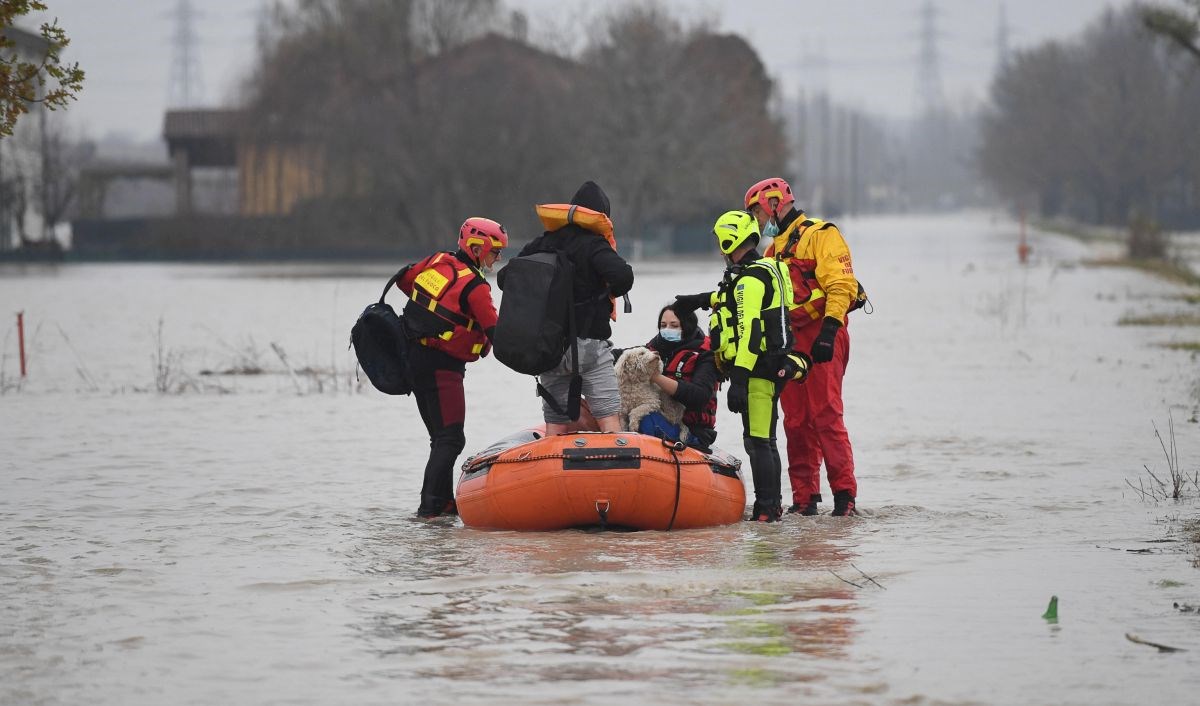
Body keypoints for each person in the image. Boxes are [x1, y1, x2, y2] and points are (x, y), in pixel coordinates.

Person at [675, 210, 810, 522]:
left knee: (759, 442)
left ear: (728, 239)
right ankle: (771, 506)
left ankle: (767, 512)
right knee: (764, 440)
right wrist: (699, 299)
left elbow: (750, 330)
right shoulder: (765, 269)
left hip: (756, 371)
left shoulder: (748, 280)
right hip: (769, 366)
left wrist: (738, 379)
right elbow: (733, 299)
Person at [744, 177, 859, 516]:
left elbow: (841, 286)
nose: (756, 221)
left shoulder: (821, 236)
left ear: (773, 204)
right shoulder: (772, 250)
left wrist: (829, 329)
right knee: (796, 420)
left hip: (824, 334)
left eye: (756, 212)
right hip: (790, 339)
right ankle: (804, 498)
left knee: (826, 415)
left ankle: (844, 496)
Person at [395, 217, 507, 518]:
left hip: (415, 361)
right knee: (451, 438)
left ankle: (442, 505)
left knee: (440, 437)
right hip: (444, 368)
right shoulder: (476, 287)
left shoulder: (437, 261)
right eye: (495, 252)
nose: (498, 259)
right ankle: (430, 508)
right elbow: (497, 333)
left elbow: (406, 281)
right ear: (476, 247)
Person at [514, 181, 634, 435]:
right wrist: (605, 291)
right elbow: (623, 276)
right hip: (589, 347)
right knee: (609, 418)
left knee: (555, 423)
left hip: (550, 348)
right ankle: (616, 468)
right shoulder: (594, 244)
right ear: (602, 216)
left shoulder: (544, 242)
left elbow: (508, 278)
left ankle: (551, 466)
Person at [618, 303, 721, 452]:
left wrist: (656, 378)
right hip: (664, 417)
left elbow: (700, 396)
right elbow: (628, 354)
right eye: (663, 325)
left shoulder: (705, 355)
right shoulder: (656, 347)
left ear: (686, 326)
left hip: (693, 430)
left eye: (674, 325)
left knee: (646, 419)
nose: (667, 330)